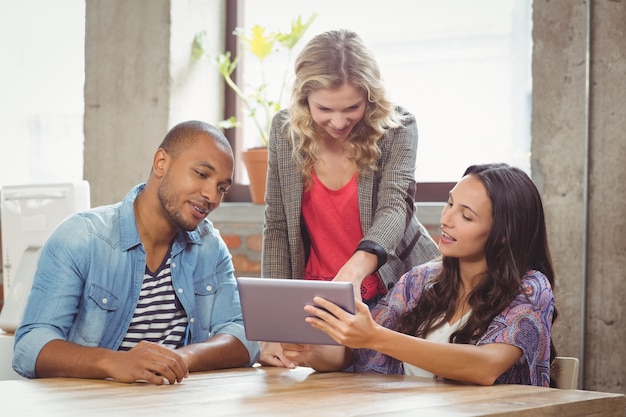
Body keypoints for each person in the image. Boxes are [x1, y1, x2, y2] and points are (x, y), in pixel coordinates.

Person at [12, 121, 260, 384]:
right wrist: (112, 362)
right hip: (90, 405)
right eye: (201, 174)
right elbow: (30, 346)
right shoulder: (81, 238)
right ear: (161, 163)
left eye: (222, 187)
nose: (211, 195)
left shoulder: (209, 246)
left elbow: (243, 335)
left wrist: (179, 359)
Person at [282, 163, 557, 387]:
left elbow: (485, 367)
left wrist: (374, 336)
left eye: (466, 216)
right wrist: (312, 353)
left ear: (503, 236)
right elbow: (353, 353)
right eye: (449, 204)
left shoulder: (530, 289)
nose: (446, 219)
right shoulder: (420, 281)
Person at [260, 29, 439, 367]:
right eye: (324, 108)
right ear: (303, 99)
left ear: (370, 98)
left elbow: (394, 206)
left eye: (352, 108)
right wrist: (274, 323)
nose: (338, 122)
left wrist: (353, 271)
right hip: (322, 296)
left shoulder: (398, 128)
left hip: (396, 285)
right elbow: (278, 225)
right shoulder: (284, 132)